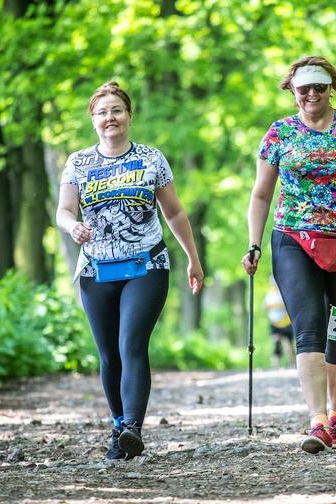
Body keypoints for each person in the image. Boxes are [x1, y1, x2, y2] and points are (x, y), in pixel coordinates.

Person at [241, 56, 336, 454]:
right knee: (308, 329)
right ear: (292, 89)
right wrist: (253, 243)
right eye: (303, 87)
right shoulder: (279, 133)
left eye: (319, 86)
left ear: (330, 87)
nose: (311, 94)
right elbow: (261, 193)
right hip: (294, 237)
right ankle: (317, 421)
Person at [56, 81, 204, 460]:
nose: (110, 117)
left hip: (146, 264)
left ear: (129, 116)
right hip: (96, 270)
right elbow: (65, 210)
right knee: (109, 355)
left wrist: (193, 258)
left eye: (117, 110)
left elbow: (174, 212)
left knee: (131, 344)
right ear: (93, 120)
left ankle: (133, 428)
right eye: (102, 112)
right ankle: (118, 427)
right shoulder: (78, 162)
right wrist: (72, 226)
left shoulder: (152, 159)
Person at [265, 275, 295, 368]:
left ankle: (292, 364)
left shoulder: (284, 292)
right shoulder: (269, 294)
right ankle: (275, 366)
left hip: (286, 322)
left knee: (287, 344)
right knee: (276, 343)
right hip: (274, 323)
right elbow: (265, 308)